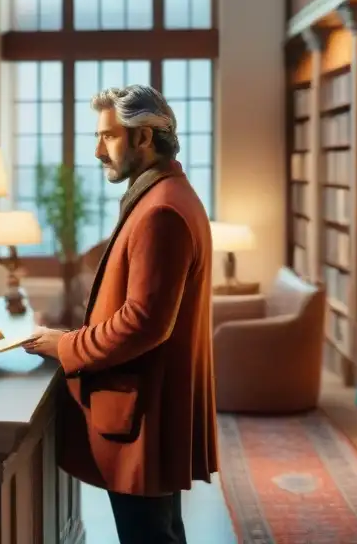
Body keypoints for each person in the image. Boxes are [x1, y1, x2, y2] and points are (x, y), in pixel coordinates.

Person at [24, 84, 217, 544]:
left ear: (145, 137)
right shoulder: (166, 194)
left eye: (108, 137)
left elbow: (143, 323)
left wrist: (65, 344)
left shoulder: (161, 210)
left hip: (142, 412)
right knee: (163, 533)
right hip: (149, 404)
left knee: (150, 536)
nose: (97, 151)